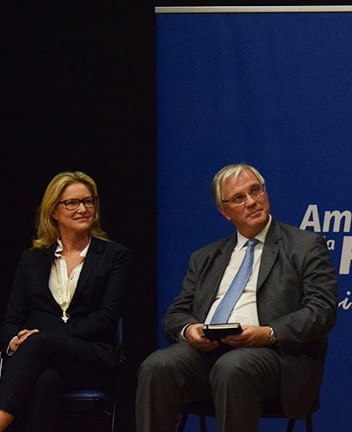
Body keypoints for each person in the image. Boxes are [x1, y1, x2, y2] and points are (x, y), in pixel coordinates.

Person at [136, 162, 338, 432]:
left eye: (256, 191)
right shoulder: (206, 257)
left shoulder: (305, 246)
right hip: (208, 354)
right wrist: (191, 330)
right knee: (156, 366)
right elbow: (175, 315)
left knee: (233, 367)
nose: (252, 202)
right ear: (224, 211)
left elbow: (322, 310)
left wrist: (267, 333)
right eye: (239, 198)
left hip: (275, 355)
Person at [0, 171, 131, 432]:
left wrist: (45, 339)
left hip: (93, 357)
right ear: (53, 211)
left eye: (88, 201)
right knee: (46, 379)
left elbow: (105, 319)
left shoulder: (115, 256)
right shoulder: (32, 259)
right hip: (44, 360)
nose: (82, 209)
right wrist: (15, 340)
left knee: (39, 344)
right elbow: (10, 321)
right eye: (72, 203)